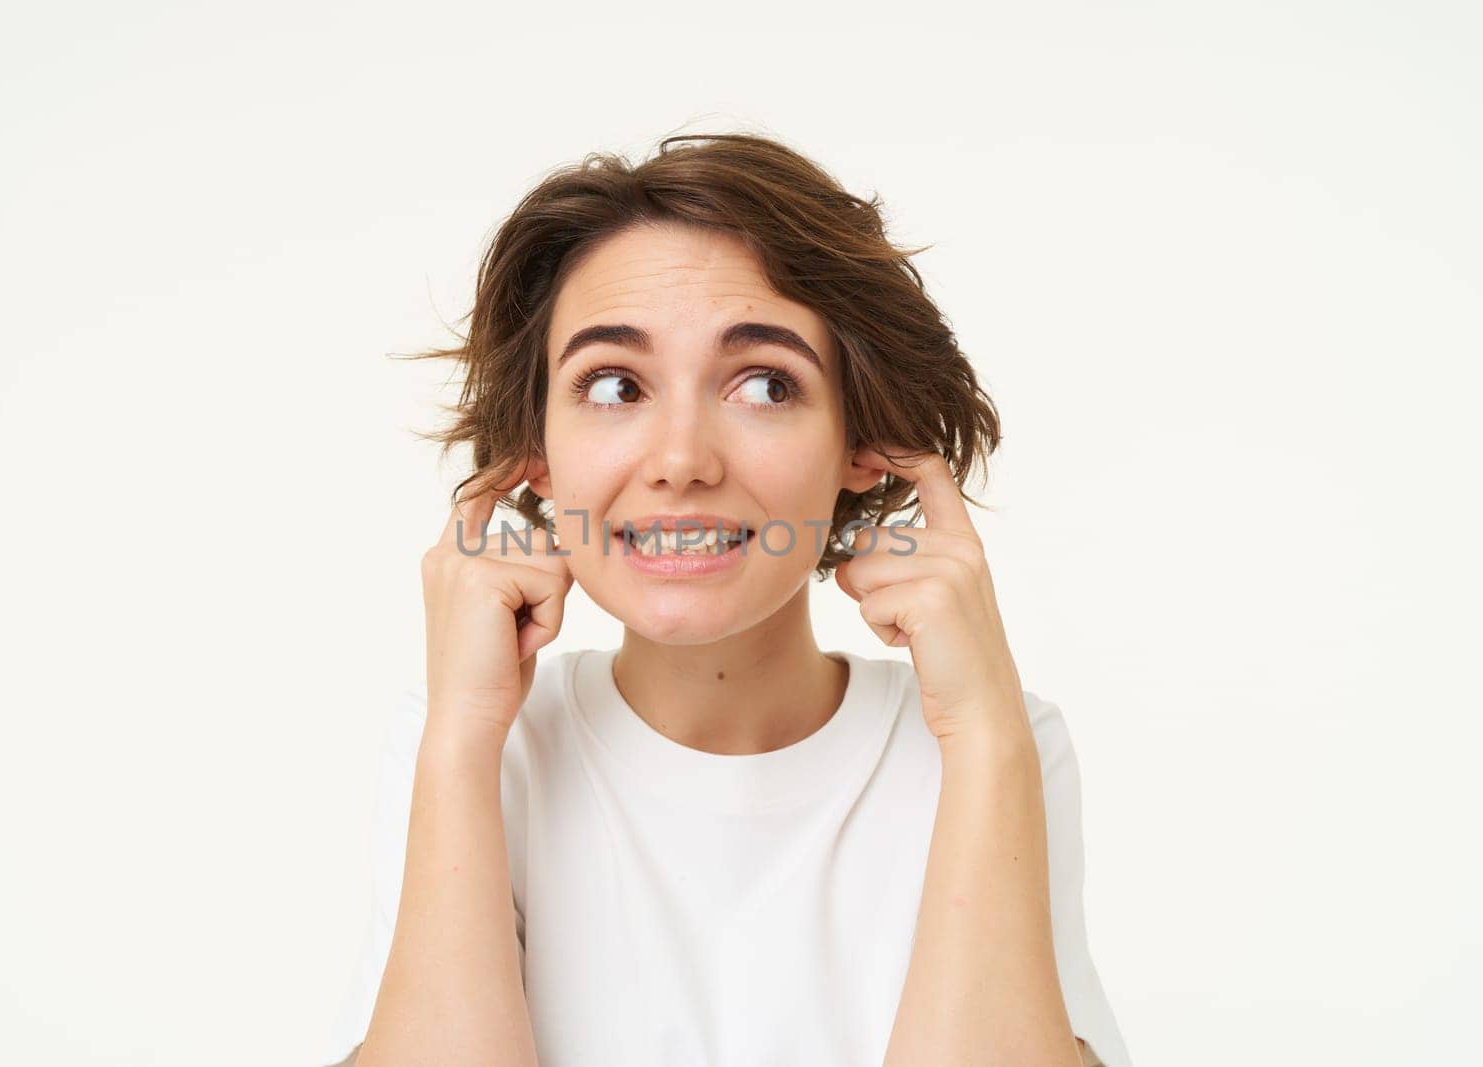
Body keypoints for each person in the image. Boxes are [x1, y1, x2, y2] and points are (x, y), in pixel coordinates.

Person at [325, 132, 1133, 1067]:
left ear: (861, 441)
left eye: (763, 384)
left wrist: (987, 733)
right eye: (615, 384)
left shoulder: (997, 743)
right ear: (533, 450)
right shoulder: (467, 744)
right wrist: (464, 735)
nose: (680, 462)